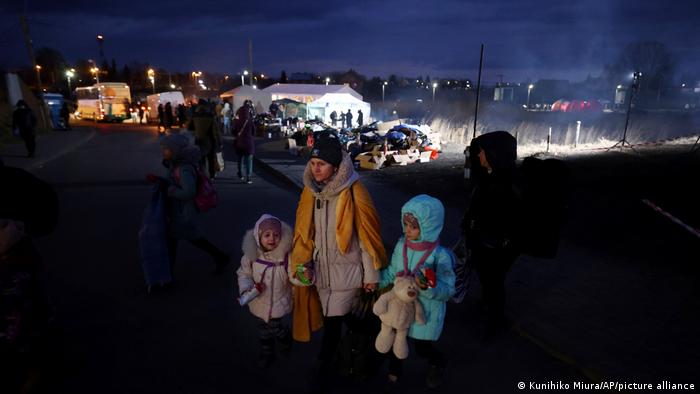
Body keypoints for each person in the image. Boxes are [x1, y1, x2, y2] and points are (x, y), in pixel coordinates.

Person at [289, 135, 387, 393]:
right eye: (313, 163)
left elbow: (367, 237)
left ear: (336, 166)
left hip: (348, 272)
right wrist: (303, 263)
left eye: (321, 163)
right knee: (347, 319)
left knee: (333, 325)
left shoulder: (355, 192)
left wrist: (371, 275)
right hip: (322, 273)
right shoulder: (312, 192)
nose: (315, 168)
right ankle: (379, 337)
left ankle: (323, 367)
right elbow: (305, 233)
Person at [379, 195, 455, 390]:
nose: (407, 231)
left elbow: (448, 290)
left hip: (426, 311)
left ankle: (438, 361)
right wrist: (376, 282)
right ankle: (395, 371)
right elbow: (391, 272)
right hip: (401, 307)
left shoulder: (441, 256)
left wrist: (429, 288)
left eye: (413, 227)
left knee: (422, 348)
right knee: (398, 336)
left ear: (428, 227)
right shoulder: (401, 245)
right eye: (405, 224)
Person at [461, 131, 520, 338]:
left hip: (495, 247)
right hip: (486, 244)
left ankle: (494, 323)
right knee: (489, 281)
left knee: (494, 282)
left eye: (483, 152)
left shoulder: (503, 186)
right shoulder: (491, 179)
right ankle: (489, 309)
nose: (479, 156)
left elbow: (500, 221)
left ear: (494, 154)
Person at [146, 134, 229, 278]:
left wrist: (169, 190)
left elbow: (188, 192)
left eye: (166, 149)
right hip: (179, 212)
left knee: (179, 241)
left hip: (183, 212)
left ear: (175, 150)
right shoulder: (175, 166)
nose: (163, 151)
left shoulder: (184, 169)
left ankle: (166, 276)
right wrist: (160, 181)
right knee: (191, 239)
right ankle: (219, 256)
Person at [236, 214, 293, 368]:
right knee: (262, 329)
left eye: (276, 235)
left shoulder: (286, 257)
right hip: (258, 301)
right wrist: (246, 289)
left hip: (278, 301)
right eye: (266, 235)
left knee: (274, 327)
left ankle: (285, 337)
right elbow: (244, 274)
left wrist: (305, 275)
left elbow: (295, 277)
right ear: (258, 236)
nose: (271, 238)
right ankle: (266, 351)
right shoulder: (251, 256)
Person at [189, 99, 222, 179]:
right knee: (211, 159)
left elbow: (190, 128)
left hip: (198, 140)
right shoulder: (210, 116)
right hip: (209, 141)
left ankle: (202, 175)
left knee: (201, 159)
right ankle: (212, 176)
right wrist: (219, 142)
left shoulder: (194, 116)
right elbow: (216, 131)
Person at [233, 100, 255, 184]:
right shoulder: (250, 121)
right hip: (249, 143)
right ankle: (249, 177)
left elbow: (234, 132)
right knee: (249, 160)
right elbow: (253, 132)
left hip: (239, 143)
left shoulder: (237, 121)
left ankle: (240, 174)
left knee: (240, 158)